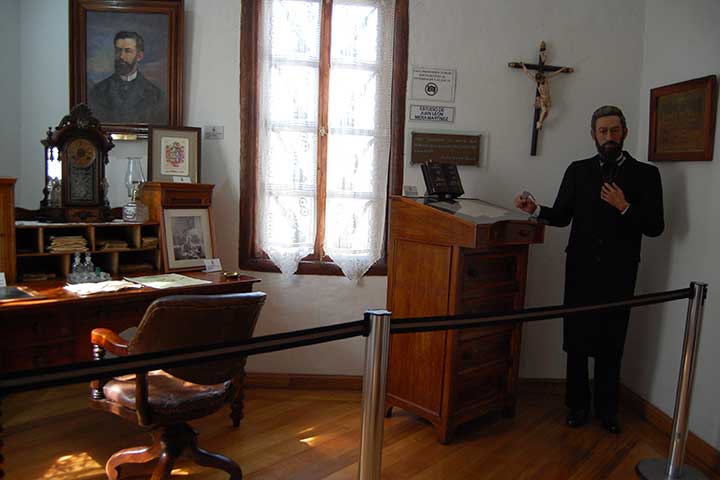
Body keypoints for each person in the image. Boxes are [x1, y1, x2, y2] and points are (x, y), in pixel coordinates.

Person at [514, 105, 664, 434]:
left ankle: (607, 410)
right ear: (593, 135)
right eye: (602, 131)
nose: (608, 137)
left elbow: (655, 227)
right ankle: (577, 406)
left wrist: (625, 207)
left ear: (624, 132)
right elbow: (563, 216)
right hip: (581, 269)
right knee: (578, 342)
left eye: (614, 131)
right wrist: (536, 209)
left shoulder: (646, 175)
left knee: (612, 341)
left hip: (620, 271)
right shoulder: (578, 171)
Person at [87, 31, 168, 124]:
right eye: (118, 50)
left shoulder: (155, 95)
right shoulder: (98, 91)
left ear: (139, 56)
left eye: (128, 51)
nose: (121, 56)